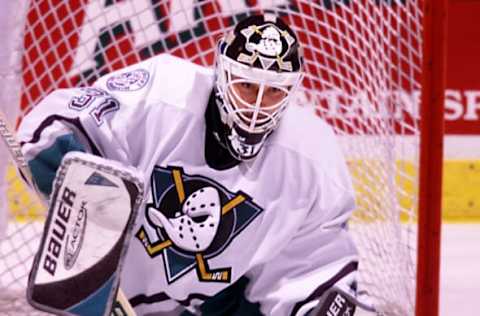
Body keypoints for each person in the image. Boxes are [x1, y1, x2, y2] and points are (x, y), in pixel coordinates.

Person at [18, 13, 359, 316]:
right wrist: (79, 186)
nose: (257, 105)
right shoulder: (160, 95)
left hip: (211, 302)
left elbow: (313, 264)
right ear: (221, 73)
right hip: (116, 289)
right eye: (247, 85)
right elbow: (51, 132)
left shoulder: (310, 157)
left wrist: (316, 305)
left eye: (273, 92)